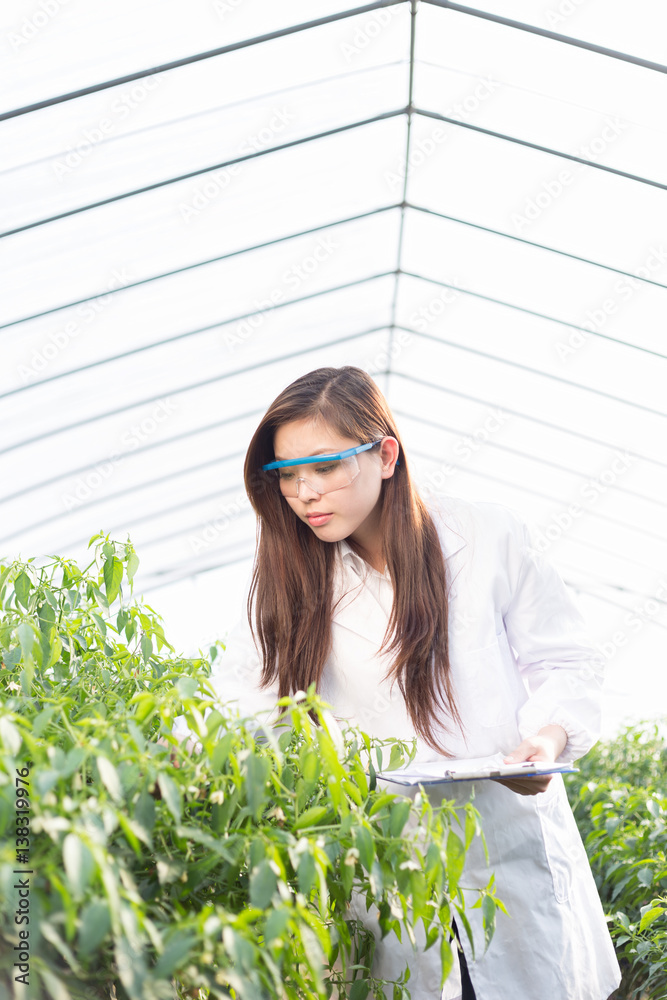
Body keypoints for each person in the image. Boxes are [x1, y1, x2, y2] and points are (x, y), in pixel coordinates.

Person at [173, 366, 621, 1000]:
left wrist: (545, 743)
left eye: (325, 467)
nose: (304, 492)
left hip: (506, 847)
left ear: (385, 455)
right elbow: (239, 706)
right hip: (385, 873)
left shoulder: (487, 536)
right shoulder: (291, 580)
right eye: (287, 475)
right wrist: (175, 755)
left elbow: (565, 659)